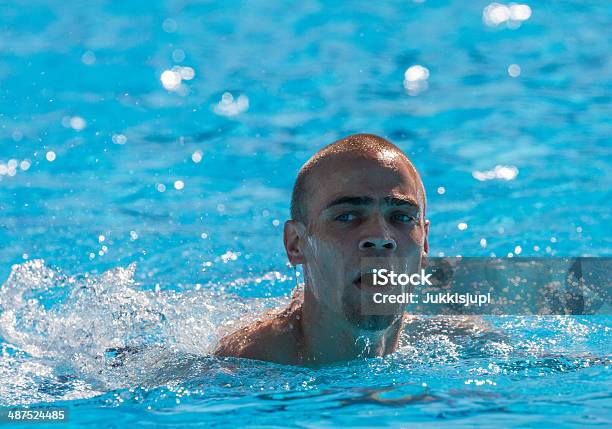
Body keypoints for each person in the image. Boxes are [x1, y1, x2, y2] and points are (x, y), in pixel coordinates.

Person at [214, 133, 494, 366]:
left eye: (401, 217)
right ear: (296, 244)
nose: (380, 237)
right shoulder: (242, 368)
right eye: (347, 216)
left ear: (425, 245)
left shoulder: (467, 346)